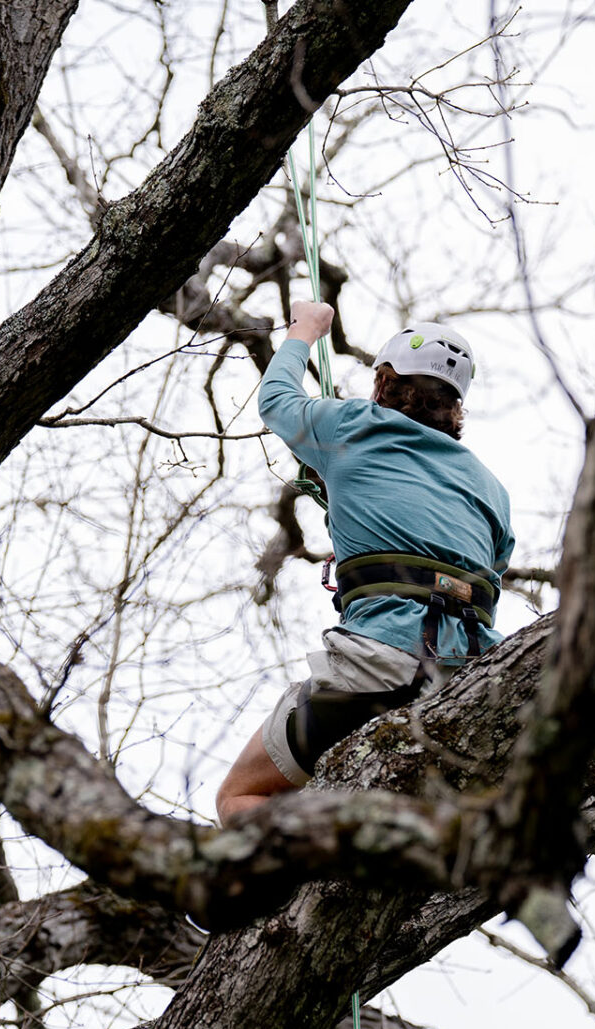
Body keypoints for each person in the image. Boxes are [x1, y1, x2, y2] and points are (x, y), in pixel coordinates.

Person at [215, 300, 514, 826]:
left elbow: (277, 399)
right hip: (471, 673)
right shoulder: (492, 487)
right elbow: (486, 562)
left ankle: (296, 871)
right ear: (455, 405)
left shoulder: (354, 425)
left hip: (378, 665)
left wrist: (306, 328)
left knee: (240, 799)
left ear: (384, 383)